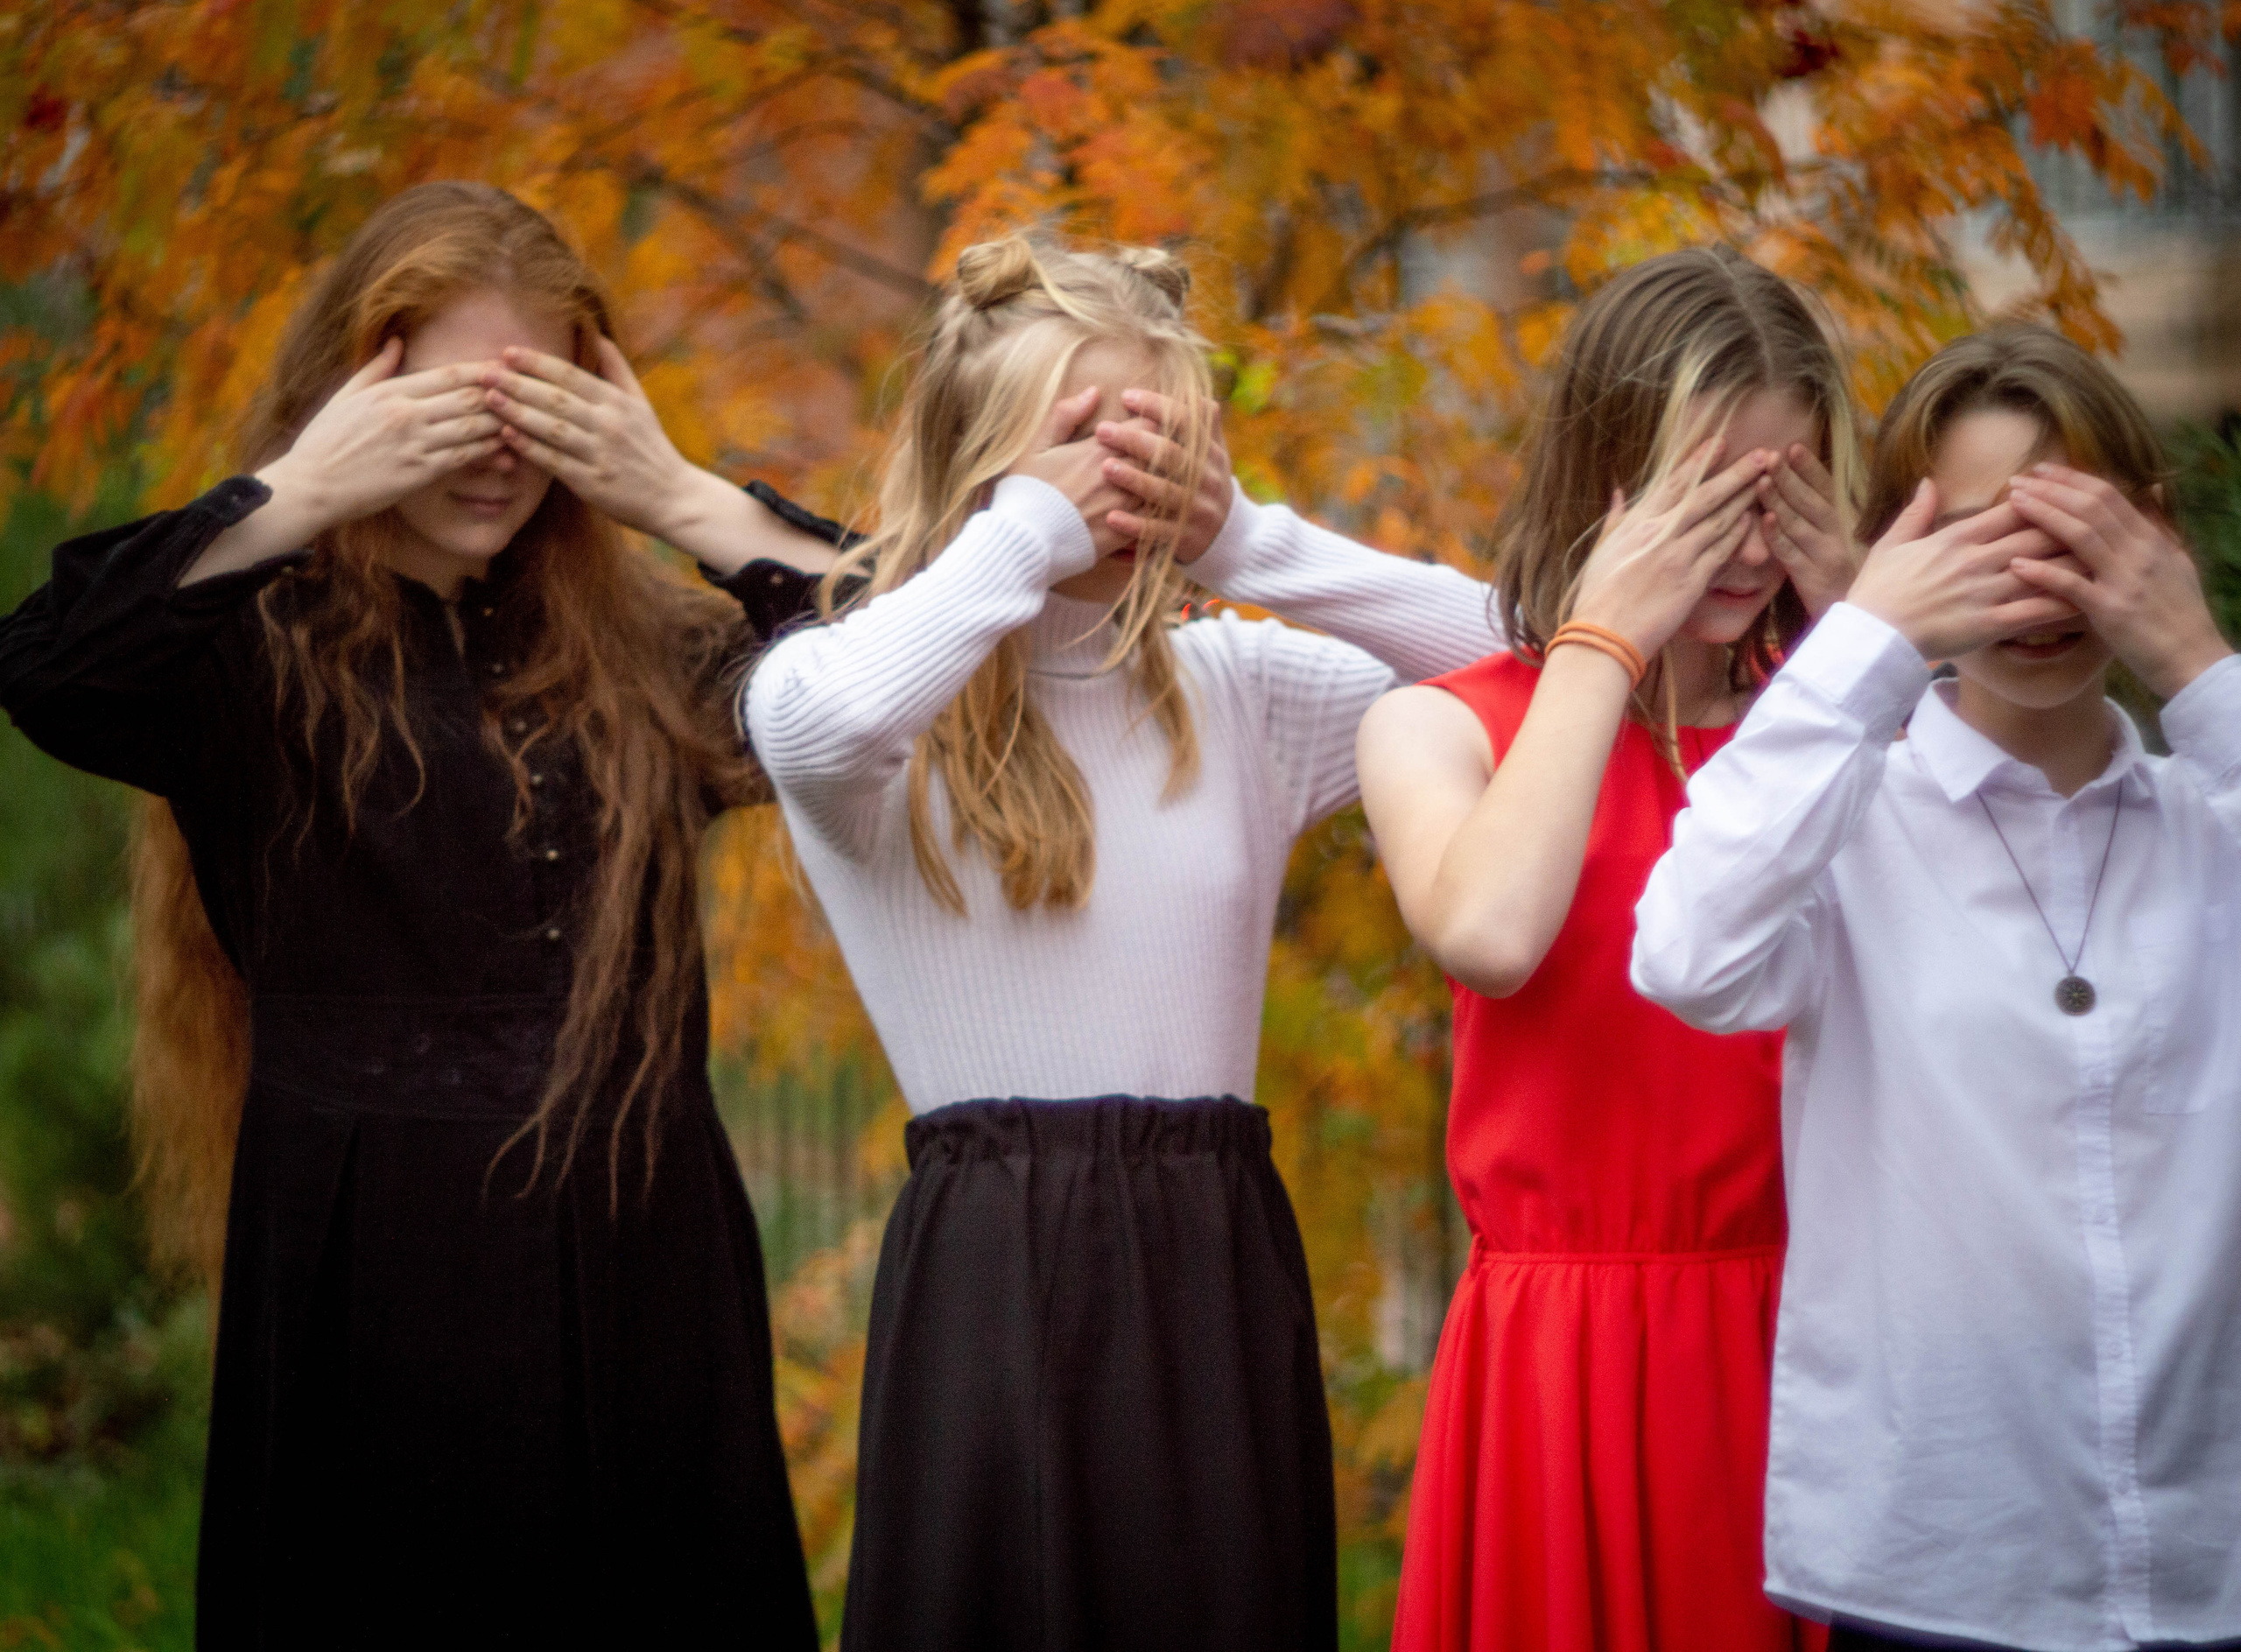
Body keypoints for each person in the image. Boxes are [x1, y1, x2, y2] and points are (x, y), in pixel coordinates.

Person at [0, 181, 847, 1648]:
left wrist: (683, 499)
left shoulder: (642, 650)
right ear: (355, 396)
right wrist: (300, 492)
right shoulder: (241, 653)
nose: (494, 456)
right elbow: (51, 667)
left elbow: (921, 665)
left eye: (537, 413)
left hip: (642, 1264)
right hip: (365, 1281)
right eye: (450, 410)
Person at [741, 234, 1502, 1651]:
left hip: (1216, 1265)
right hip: (992, 1274)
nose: (1121, 468)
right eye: (1080, 432)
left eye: (1157, 430)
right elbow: (817, 723)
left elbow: (1522, 658)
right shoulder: (860, 702)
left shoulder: (1241, 693)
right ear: (981, 460)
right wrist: (1022, 534)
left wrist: (1250, 543)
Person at [1631, 325, 2241, 1651]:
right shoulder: (1844, 820)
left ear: (2149, 532)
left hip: (2212, 1564)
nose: (2028, 580)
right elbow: (1685, 954)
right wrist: (1866, 646)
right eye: (1972, 536)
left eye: (2071, 528)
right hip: (1936, 1571)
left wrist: (2197, 659)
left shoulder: (2215, 816)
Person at [1354, 245, 1859, 1652]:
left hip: (1806, 1336)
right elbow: (1491, 932)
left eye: (1779, 496)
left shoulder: (1831, 734)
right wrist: (1606, 638)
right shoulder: (1442, 724)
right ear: (1604, 482)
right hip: (1561, 1360)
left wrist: (1874, 633)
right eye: (1706, 495)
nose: (1747, 546)